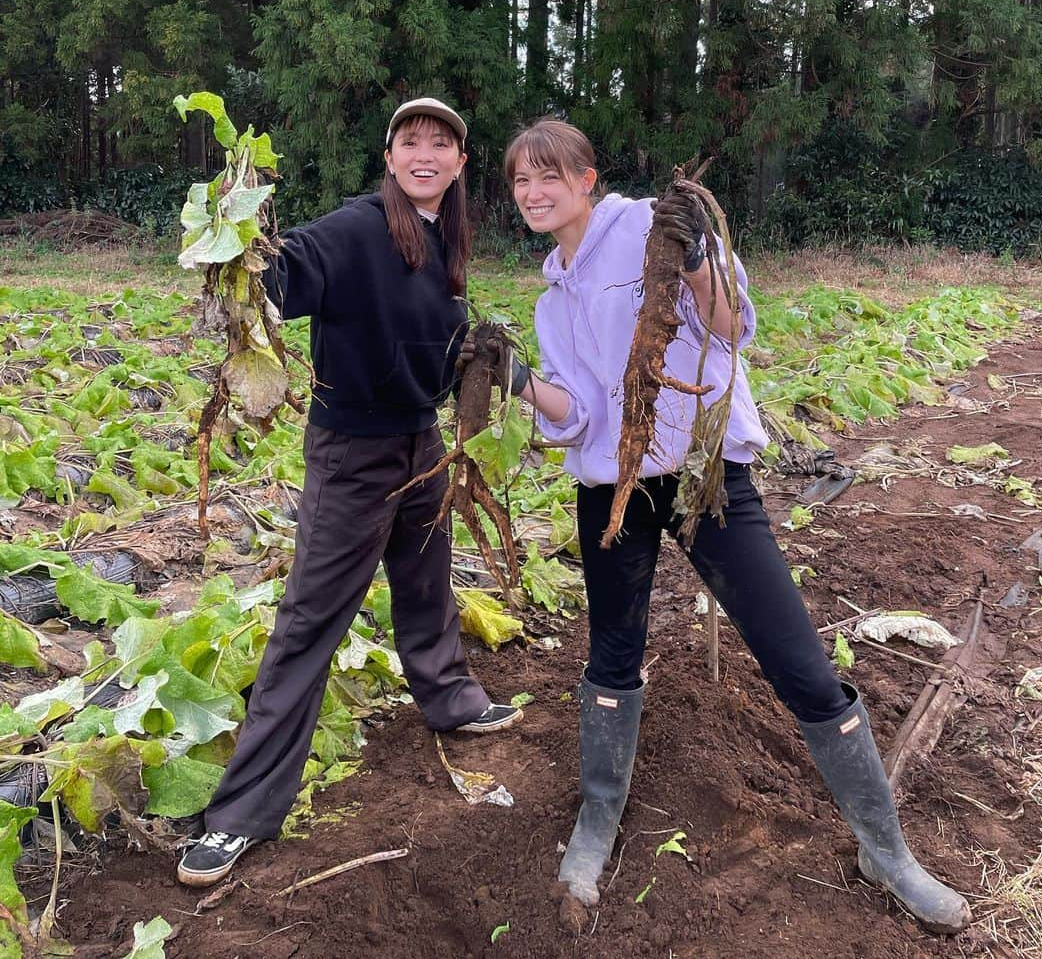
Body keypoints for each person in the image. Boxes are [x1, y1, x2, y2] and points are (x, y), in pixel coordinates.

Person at [489, 117, 971, 934]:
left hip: (704, 475)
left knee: (795, 656)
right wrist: (517, 379)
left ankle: (885, 849)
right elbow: (579, 419)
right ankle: (599, 817)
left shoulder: (651, 225)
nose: (534, 193)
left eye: (549, 175)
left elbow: (731, 328)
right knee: (611, 654)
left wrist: (703, 256)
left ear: (586, 177)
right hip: (615, 491)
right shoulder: (548, 299)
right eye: (520, 182)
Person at [177, 97, 522, 888]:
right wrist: (239, 238)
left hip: (420, 441)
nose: (426, 153)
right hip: (352, 451)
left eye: (442, 143)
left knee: (428, 584)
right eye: (411, 141)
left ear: (461, 162)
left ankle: (450, 698)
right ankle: (238, 817)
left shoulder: (447, 238)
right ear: (392, 156)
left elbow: (428, 333)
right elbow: (287, 276)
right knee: (310, 621)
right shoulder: (358, 225)